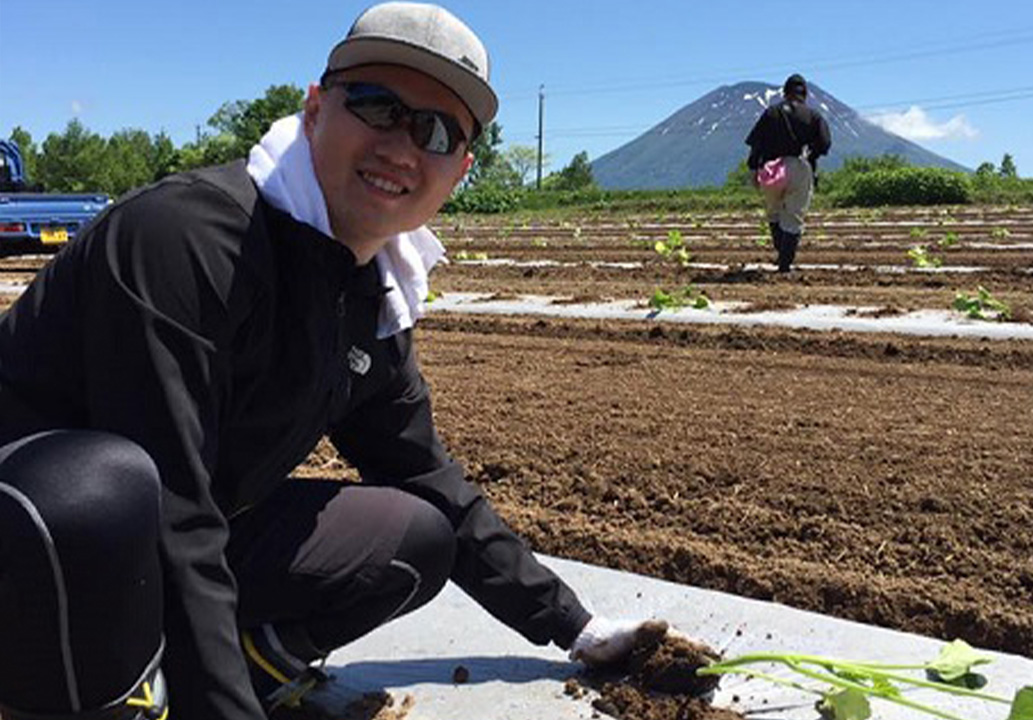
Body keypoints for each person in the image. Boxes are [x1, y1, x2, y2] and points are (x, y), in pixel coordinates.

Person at [0, 4, 668, 719]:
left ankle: (231, 668)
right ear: (316, 107)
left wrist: (574, 624)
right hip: (36, 545)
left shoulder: (373, 292)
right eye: (378, 106)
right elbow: (173, 506)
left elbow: (423, 473)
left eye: (437, 131)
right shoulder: (188, 240)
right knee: (99, 490)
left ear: (462, 169)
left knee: (416, 535)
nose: (402, 147)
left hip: (160, 547)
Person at [745, 73, 832, 273]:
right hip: (799, 167)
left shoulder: (771, 113)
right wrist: (811, 155)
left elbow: (755, 145)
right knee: (793, 217)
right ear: (805, 94)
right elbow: (825, 144)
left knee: (774, 213)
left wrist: (753, 169)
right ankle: (785, 265)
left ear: (785, 93)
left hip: (771, 170)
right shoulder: (813, 116)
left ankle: (780, 250)